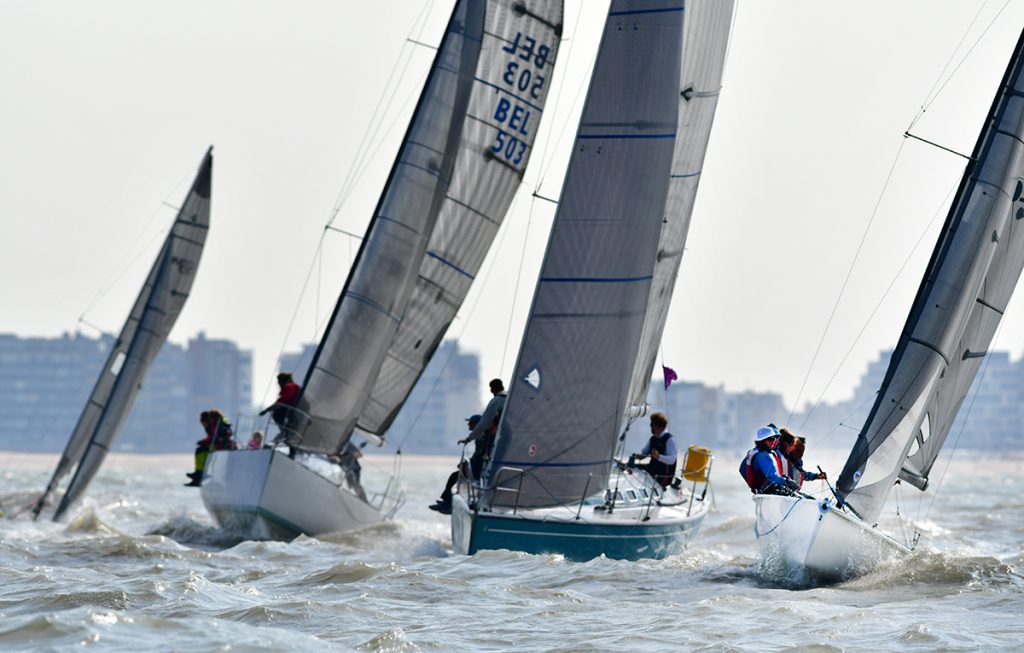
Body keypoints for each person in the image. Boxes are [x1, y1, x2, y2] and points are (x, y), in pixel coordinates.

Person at [429, 414, 481, 514]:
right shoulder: (479, 437)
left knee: (455, 476)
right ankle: (447, 501)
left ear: (477, 425)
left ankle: (448, 503)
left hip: (477, 470)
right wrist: (466, 464)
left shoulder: (482, 437)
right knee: (454, 476)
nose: (468, 425)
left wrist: (467, 465)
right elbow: (477, 457)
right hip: (475, 466)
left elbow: (480, 458)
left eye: (471, 423)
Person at [458, 378, 506, 479]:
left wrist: (468, 439)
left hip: (497, 437)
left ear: (492, 390)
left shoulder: (496, 401)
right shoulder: (511, 399)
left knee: (486, 459)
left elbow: (484, 422)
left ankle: (481, 482)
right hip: (510, 438)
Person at [738, 425, 797, 495]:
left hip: (765, 490)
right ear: (762, 441)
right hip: (767, 491)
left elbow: (742, 469)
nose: (774, 441)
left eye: (774, 438)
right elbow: (771, 476)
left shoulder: (759, 452)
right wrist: (785, 482)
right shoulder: (762, 456)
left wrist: (784, 479)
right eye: (770, 439)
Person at [186, 410, 236, 487]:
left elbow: (213, 439)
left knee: (200, 450)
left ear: (213, 418)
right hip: (221, 446)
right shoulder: (222, 424)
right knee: (202, 450)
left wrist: (201, 442)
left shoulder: (217, 426)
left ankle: (199, 473)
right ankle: (198, 473)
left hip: (220, 447)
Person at [633, 412, 677, 488]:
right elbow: (644, 453)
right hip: (652, 469)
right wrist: (637, 456)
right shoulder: (653, 439)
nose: (650, 427)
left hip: (663, 475)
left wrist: (658, 457)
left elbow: (672, 460)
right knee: (632, 467)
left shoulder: (669, 440)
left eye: (652, 425)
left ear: (659, 426)